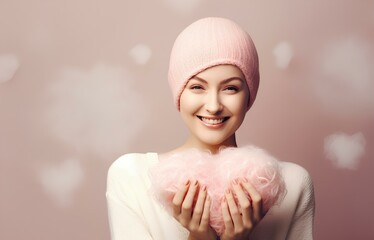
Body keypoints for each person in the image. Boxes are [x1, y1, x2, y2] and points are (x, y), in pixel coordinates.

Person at [106, 17, 315, 240]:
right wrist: (199, 237)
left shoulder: (293, 184)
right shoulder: (132, 176)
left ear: (249, 95)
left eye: (231, 88)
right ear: (179, 94)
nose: (214, 106)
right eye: (197, 87)